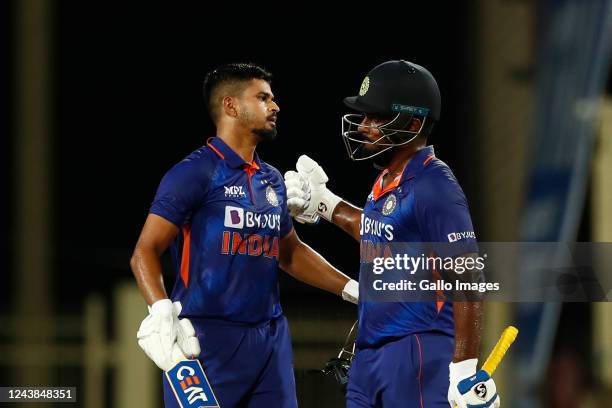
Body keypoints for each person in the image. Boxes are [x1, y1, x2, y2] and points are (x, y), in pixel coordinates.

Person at [130, 62, 359, 408]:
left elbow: (290, 253)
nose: (275, 106)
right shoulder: (194, 173)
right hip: (205, 340)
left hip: (270, 339)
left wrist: (352, 289)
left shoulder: (271, 180)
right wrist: (160, 308)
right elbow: (145, 251)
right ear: (231, 106)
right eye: (263, 97)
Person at [284, 60, 500, 408]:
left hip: (417, 349)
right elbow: (378, 230)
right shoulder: (388, 179)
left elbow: (468, 275)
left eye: (377, 117)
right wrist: (325, 204)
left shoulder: (434, 185)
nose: (365, 126)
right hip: (372, 353)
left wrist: (463, 367)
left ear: (413, 124)